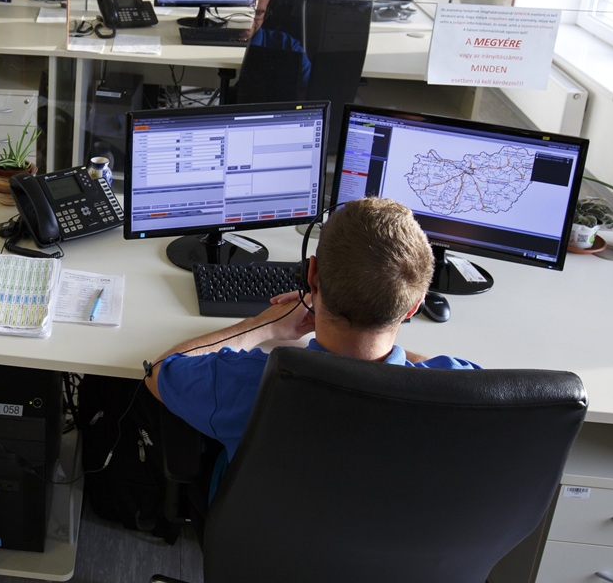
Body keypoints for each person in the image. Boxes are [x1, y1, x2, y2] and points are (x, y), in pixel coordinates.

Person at [147, 197, 479, 461]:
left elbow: (159, 371)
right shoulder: (466, 394)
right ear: (415, 306)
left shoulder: (250, 382)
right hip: (395, 526)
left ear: (311, 275)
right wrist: (394, 360)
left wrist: (261, 326)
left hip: (266, 524)